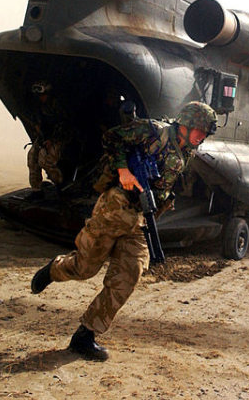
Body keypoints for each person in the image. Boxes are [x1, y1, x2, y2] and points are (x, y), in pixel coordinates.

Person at [29, 101, 218, 361]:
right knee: (85, 268)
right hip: (114, 207)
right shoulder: (154, 131)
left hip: (140, 219)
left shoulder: (188, 151)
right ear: (185, 123)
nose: (202, 136)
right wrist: (124, 170)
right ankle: (55, 268)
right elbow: (112, 137)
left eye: (205, 132)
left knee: (129, 276)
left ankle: (86, 334)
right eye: (200, 130)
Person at [25, 81, 72, 194]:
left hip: (59, 138)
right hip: (44, 137)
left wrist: (52, 139)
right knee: (32, 158)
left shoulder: (58, 106)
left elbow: (65, 124)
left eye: (43, 95)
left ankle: (61, 185)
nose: (41, 98)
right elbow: (36, 120)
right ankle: (36, 190)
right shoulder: (39, 106)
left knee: (44, 160)